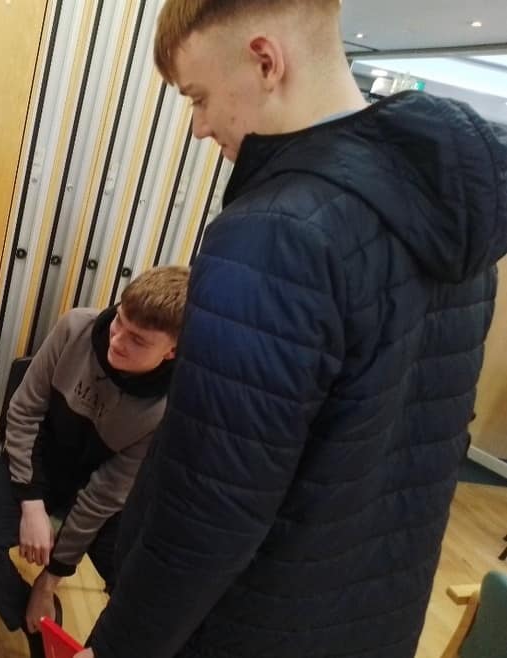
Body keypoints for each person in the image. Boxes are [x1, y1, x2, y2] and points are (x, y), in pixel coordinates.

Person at [75, 2, 507, 658]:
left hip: (250, 626)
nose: (198, 127)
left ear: (264, 61)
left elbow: (210, 506)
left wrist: (115, 647)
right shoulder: (456, 220)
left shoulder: (269, 237)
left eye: (198, 97)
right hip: (376, 619)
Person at [0, 265, 190, 657]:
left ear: (171, 351)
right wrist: (32, 504)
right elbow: (23, 413)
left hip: (93, 493)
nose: (117, 340)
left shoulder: (168, 406)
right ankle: (38, 628)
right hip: (33, 466)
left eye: (138, 340)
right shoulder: (75, 327)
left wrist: (50, 579)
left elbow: (105, 495)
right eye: (120, 321)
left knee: (138, 585)